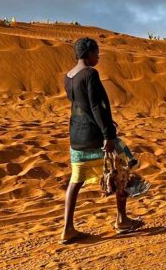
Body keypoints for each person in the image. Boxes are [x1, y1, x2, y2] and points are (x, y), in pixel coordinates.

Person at [61, 37, 142, 244]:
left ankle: (68, 229)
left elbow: (81, 105)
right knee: (121, 170)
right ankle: (122, 220)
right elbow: (97, 106)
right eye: (96, 53)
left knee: (75, 181)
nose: (98, 56)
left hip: (76, 136)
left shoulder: (68, 76)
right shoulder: (90, 73)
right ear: (88, 54)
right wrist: (108, 134)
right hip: (95, 135)